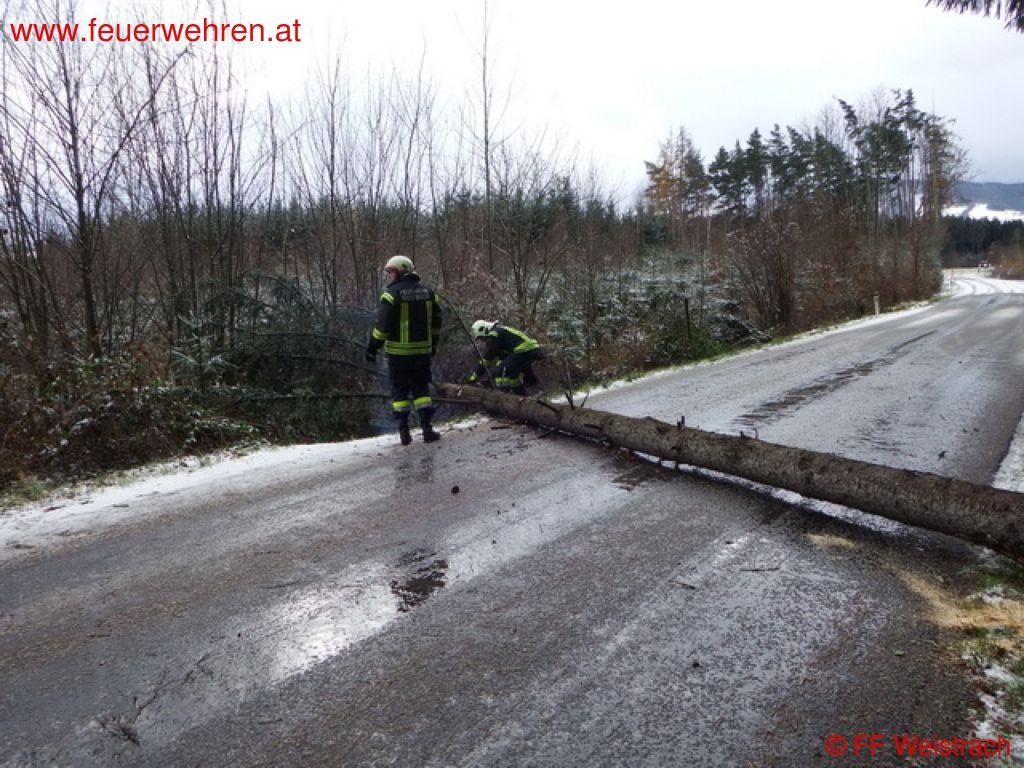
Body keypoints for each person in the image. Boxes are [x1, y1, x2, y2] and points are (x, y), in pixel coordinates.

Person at [365, 256, 442, 445]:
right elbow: (436, 324)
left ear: (401, 271)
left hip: (398, 355)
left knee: (399, 393)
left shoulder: (391, 295)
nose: (388, 276)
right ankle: (427, 429)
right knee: (422, 391)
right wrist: (432, 345)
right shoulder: (428, 293)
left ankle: (404, 432)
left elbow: (382, 327)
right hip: (422, 353)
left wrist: (372, 348)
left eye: (391, 272)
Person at [468, 320, 544, 395]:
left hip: (523, 350)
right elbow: (501, 355)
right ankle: (523, 396)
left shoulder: (494, 333)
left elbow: (489, 356)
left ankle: (503, 394)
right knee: (512, 374)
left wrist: (475, 377)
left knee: (501, 370)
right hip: (530, 349)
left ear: (484, 329)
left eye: (482, 337)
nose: (484, 340)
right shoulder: (500, 331)